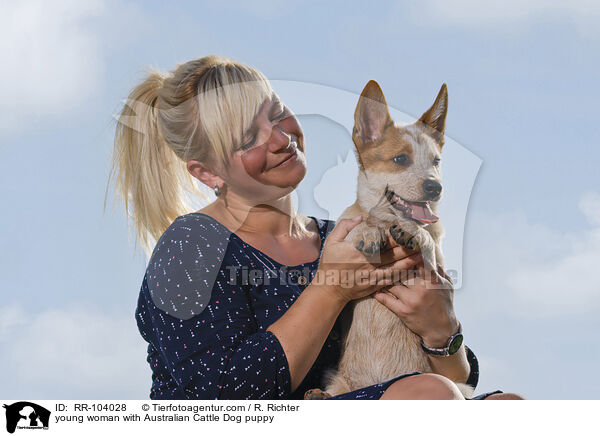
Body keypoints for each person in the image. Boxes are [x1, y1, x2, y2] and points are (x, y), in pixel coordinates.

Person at [110, 55, 523, 400]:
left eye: (278, 113)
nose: (280, 139)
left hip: (374, 398)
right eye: (247, 139)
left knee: (509, 409)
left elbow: (460, 379)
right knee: (429, 398)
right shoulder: (191, 247)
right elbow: (221, 397)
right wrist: (331, 288)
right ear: (207, 173)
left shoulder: (344, 234)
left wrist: (442, 329)